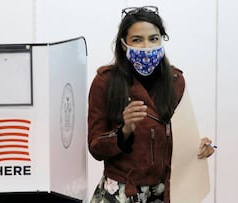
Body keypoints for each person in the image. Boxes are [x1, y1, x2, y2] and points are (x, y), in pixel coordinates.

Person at [87, 6, 215, 203]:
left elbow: (178, 138)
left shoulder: (175, 81)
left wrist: (198, 148)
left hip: (164, 191)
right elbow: (96, 148)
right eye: (137, 40)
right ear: (123, 44)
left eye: (153, 38)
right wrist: (125, 130)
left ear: (162, 40)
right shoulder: (105, 82)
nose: (146, 46)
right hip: (121, 191)